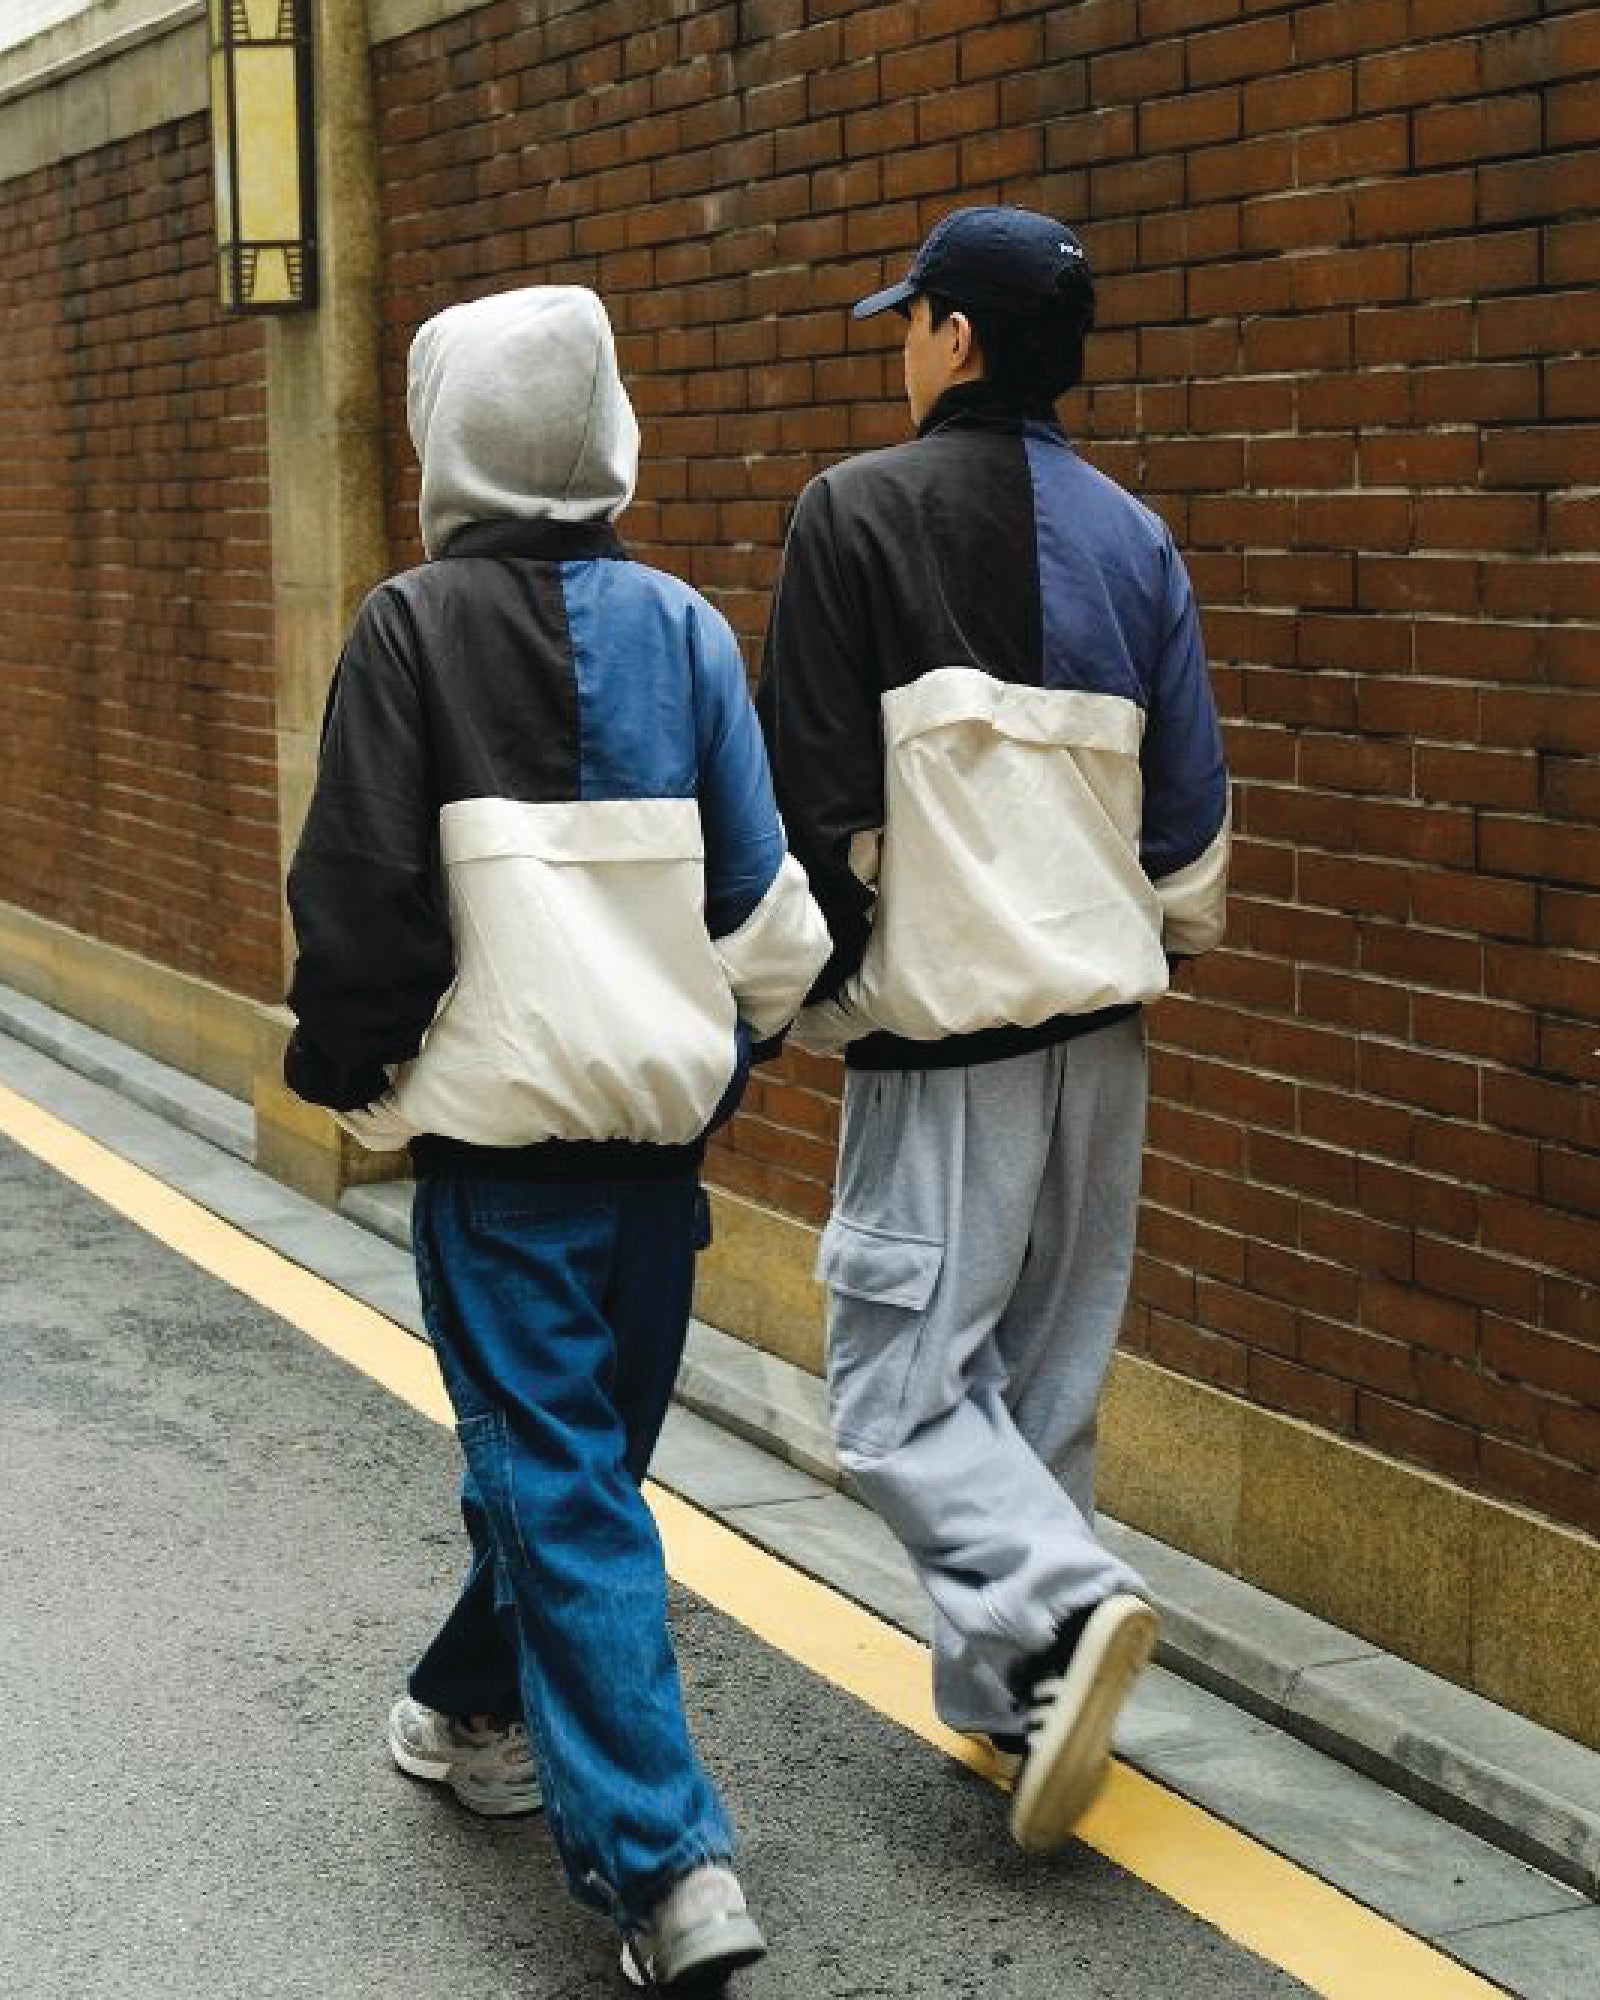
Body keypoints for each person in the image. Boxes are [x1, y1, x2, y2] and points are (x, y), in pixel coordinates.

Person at [283, 284, 830, 1991]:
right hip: (656, 1163)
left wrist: (353, 1085)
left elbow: (363, 902)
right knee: (583, 1476)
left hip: (502, 1168)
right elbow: (769, 923)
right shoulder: (683, 627)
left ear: (450, 433)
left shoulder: (406, 629)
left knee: (563, 1485)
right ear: (608, 426)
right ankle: (567, 1785)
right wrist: (714, 1072)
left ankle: (578, 1799)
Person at [756, 207, 1229, 1853]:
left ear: (954, 336)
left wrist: (815, 1005)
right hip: (1106, 1028)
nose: (899, 344)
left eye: (911, 320)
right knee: (1044, 1380)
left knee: (893, 1384)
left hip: (944, 1034)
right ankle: (1020, 1708)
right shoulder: (1137, 539)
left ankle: (1059, 1600)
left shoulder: (853, 514)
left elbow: (810, 807)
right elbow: (1190, 832)